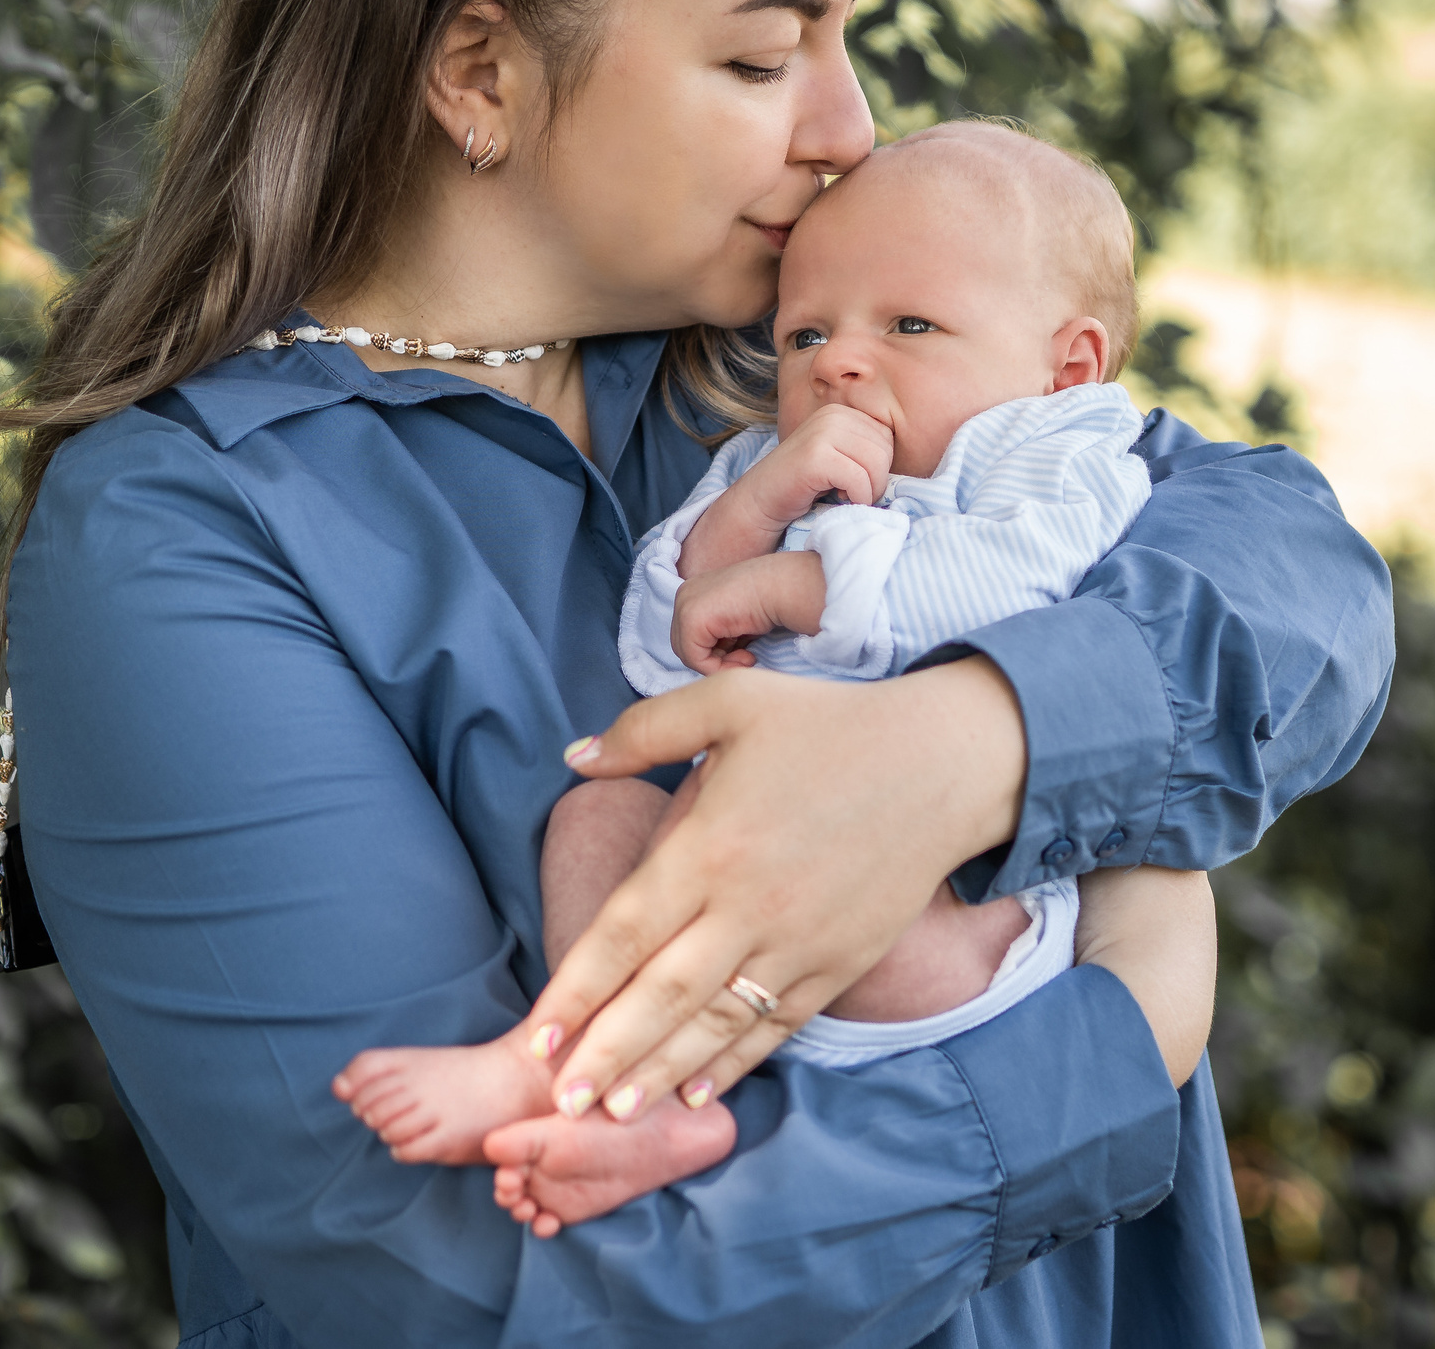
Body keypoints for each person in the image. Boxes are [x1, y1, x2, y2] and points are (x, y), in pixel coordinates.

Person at [0, 0, 1396, 1343]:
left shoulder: (806, 347)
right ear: (480, 72)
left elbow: (1298, 570)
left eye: (845, 29)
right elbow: (493, 1285)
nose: (852, 129)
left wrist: (979, 746)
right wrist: (1112, 1037)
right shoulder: (185, 542)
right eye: (764, 54)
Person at [331, 121, 1195, 1235]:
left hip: (943, 917)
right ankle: (586, 1067)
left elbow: (997, 596)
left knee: (725, 805)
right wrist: (749, 509)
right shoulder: (768, 465)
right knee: (597, 812)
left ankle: (653, 1087)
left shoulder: (1051, 453)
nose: (838, 361)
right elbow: (661, 641)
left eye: (911, 325)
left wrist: (799, 585)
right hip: (736, 887)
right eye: (804, 334)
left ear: (1063, 363)